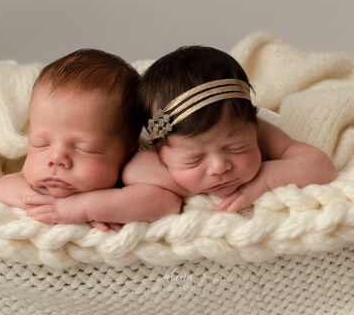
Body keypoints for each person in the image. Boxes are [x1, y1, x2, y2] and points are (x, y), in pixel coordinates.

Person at [121, 45, 337, 213]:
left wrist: (264, 180)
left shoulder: (253, 127)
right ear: (160, 149)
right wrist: (190, 186)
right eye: (194, 159)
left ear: (252, 125)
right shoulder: (161, 145)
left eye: (237, 147)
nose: (219, 167)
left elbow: (321, 166)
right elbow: (133, 171)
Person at [0, 48, 181, 230]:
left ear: (127, 153)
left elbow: (167, 203)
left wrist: (84, 209)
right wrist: (55, 208)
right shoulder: (37, 183)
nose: (56, 158)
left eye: (83, 149)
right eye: (41, 144)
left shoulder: (128, 178)